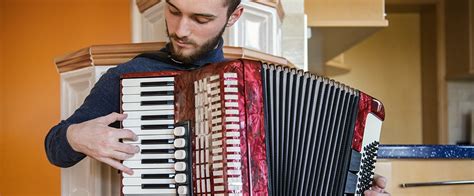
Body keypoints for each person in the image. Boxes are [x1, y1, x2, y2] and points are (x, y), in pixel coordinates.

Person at [44, 0, 390, 195]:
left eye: (201, 18)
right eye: (174, 10)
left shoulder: (264, 84)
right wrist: (76, 135)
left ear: (233, 16)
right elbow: (55, 148)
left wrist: (357, 189)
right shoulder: (131, 76)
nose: (181, 29)